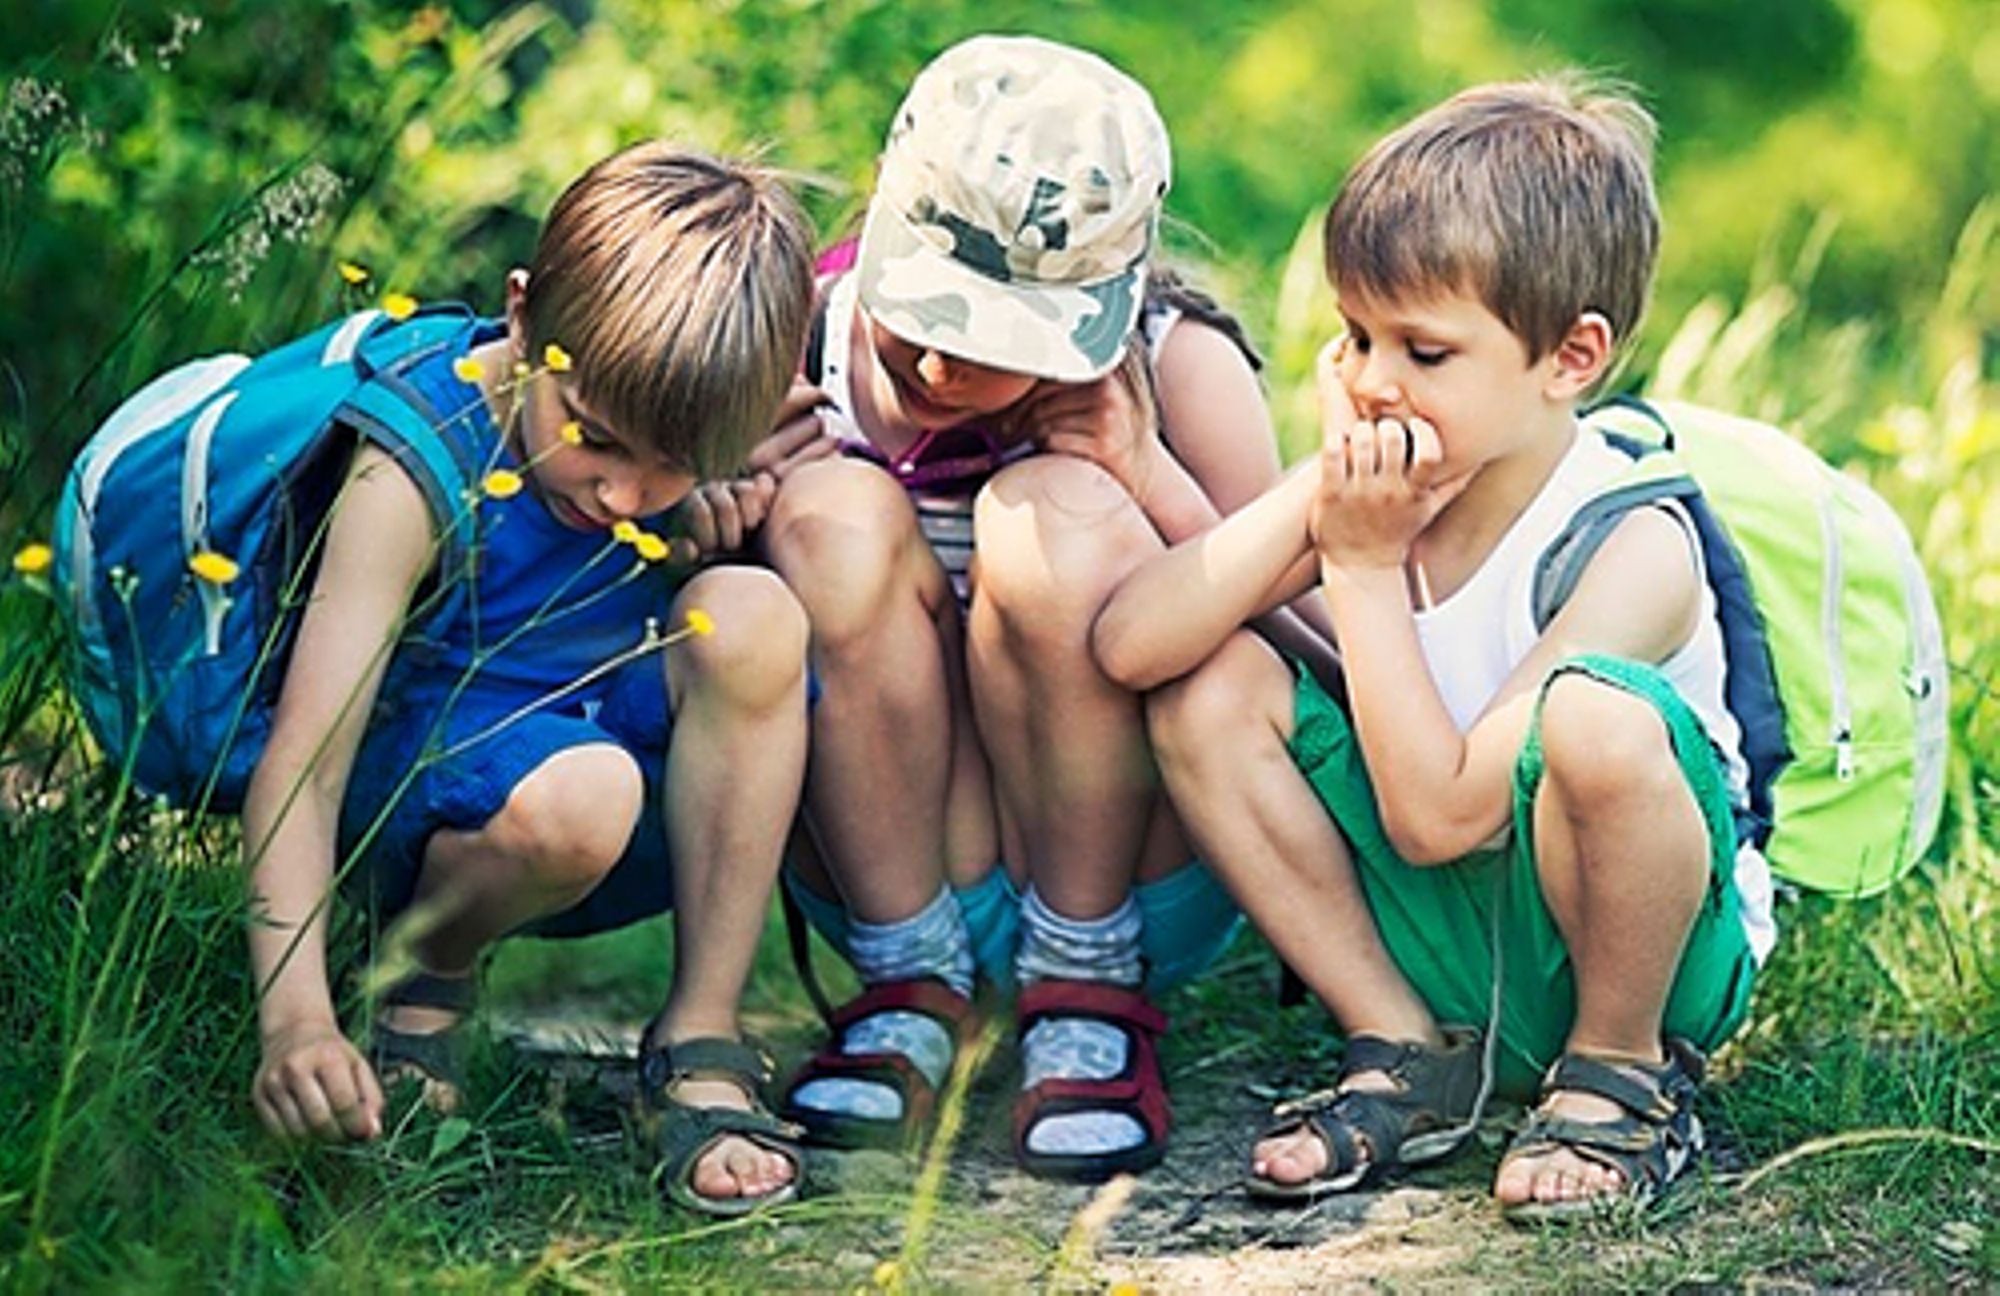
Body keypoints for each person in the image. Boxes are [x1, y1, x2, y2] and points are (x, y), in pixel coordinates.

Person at [1096, 74, 1775, 1220]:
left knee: (1595, 717)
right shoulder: (1380, 480)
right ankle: (1405, 1047)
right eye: (1353, 337)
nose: (1369, 382)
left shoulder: (1631, 540)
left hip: (1630, 953)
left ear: (1569, 358)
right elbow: (1129, 645)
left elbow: (1439, 814)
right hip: (1441, 940)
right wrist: (1313, 505)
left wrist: (1356, 566)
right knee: (1206, 685)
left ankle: (1617, 1081)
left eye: (1422, 350)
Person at [687, 34, 1333, 1180]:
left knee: (1055, 513)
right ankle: (908, 984)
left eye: (995, 341)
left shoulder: (1177, 365)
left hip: (1130, 881)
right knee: (830, 509)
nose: (939, 370)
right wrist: (718, 507)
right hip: (888, 859)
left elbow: (1321, 650)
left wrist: (1148, 480)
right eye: (927, 315)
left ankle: (1085, 990)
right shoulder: (795, 341)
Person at [242, 142, 820, 1217]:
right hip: (418, 801)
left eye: (668, 465)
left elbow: (652, 513)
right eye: (594, 440)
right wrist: (295, 1024)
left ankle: (699, 1034)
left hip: (591, 760)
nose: (619, 494)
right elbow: (305, 763)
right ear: (521, 316)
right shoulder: (415, 463)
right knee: (584, 795)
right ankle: (420, 971)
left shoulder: (646, 444)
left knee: (753, 613)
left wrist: (699, 523)